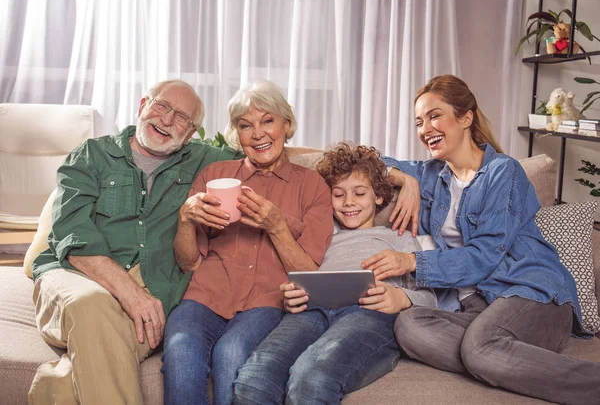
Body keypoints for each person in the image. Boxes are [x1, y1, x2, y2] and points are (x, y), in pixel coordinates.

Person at [364, 74, 600, 404]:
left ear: (465, 117)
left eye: (435, 116)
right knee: (408, 325)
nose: (425, 129)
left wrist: (410, 262)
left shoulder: (504, 172)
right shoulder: (431, 175)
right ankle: (494, 357)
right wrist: (407, 180)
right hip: (477, 308)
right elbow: (366, 162)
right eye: (419, 121)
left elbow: (483, 256)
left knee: (477, 347)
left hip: (531, 293)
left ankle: (495, 356)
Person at [27, 79, 247, 405]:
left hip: (155, 283)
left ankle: (53, 386)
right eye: (162, 106)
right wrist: (131, 294)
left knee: (89, 361)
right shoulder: (91, 155)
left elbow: (265, 154)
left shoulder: (205, 160)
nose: (168, 120)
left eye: (182, 118)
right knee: (90, 304)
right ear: (143, 106)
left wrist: (316, 157)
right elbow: (74, 234)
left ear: (190, 133)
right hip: (76, 275)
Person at [161, 80, 333, 405]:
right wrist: (186, 219)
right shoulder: (215, 175)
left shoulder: (312, 186)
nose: (258, 134)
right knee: (182, 351)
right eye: (246, 125)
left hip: (266, 302)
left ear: (286, 124)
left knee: (231, 352)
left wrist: (277, 227)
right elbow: (188, 262)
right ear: (236, 134)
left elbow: (309, 274)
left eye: (268, 121)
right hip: (206, 296)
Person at [232, 142, 437, 404]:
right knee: (253, 379)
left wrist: (401, 298)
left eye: (359, 193)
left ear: (379, 196)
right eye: (338, 195)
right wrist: (291, 296)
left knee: (310, 377)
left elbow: (431, 299)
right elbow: (298, 274)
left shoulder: (400, 238)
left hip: (367, 314)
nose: (348, 202)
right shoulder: (323, 237)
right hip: (312, 311)